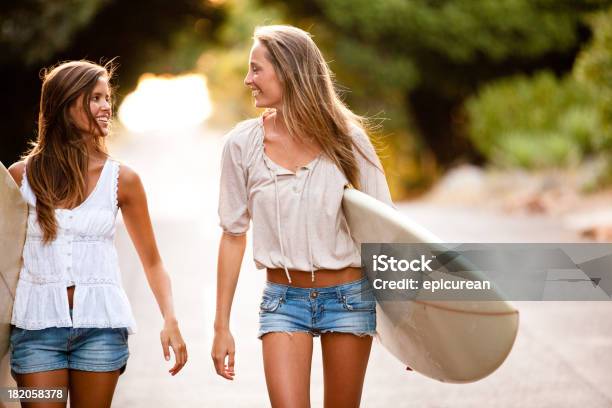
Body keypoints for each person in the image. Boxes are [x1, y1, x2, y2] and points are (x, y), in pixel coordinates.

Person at [211, 25, 393, 407]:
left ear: (288, 70)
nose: (248, 80)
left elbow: (385, 232)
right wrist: (221, 326)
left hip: (348, 300)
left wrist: (412, 330)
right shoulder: (242, 144)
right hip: (283, 302)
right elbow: (232, 233)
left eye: (256, 69)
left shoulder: (348, 139)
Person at [7, 60, 187, 408]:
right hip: (36, 330)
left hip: (101, 330)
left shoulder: (124, 181)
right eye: (95, 98)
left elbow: (153, 262)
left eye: (107, 98)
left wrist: (170, 319)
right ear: (65, 104)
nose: (106, 107)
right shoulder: (19, 177)